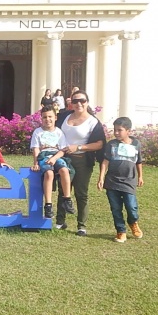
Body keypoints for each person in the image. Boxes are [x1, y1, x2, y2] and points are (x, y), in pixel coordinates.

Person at [55, 90, 106, 236]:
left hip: (83, 161)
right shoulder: (64, 116)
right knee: (63, 190)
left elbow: (100, 144)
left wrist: (78, 147)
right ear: (70, 103)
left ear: (87, 102)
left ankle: (81, 226)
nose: (79, 104)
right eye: (75, 101)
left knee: (81, 193)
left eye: (82, 101)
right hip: (64, 159)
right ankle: (60, 222)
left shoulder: (93, 122)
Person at [97, 117, 144, 242]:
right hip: (112, 182)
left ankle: (133, 222)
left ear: (128, 131)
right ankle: (121, 231)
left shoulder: (136, 144)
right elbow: (105, 161)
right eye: (115, 130)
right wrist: (101, 178)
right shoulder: (111, 144)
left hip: (129, 181)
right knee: (116, 208)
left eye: (120, 130)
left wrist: (140, 176)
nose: (116, 133)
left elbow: (139, 161)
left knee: (131, 207)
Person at [30, 107, 76, 219]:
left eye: (50, 116)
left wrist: (54, 158)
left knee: (64, 170)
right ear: (41, 119)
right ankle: (48, 205)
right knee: (49, 174)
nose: (47, 119)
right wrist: (36, 163)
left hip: (57, 155)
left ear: (55, 118)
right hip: (44, 156)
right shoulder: (38, 132)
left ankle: (67, 199)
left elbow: (63, 150)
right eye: (44, 117)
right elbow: (36, 149)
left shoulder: (59, 132)